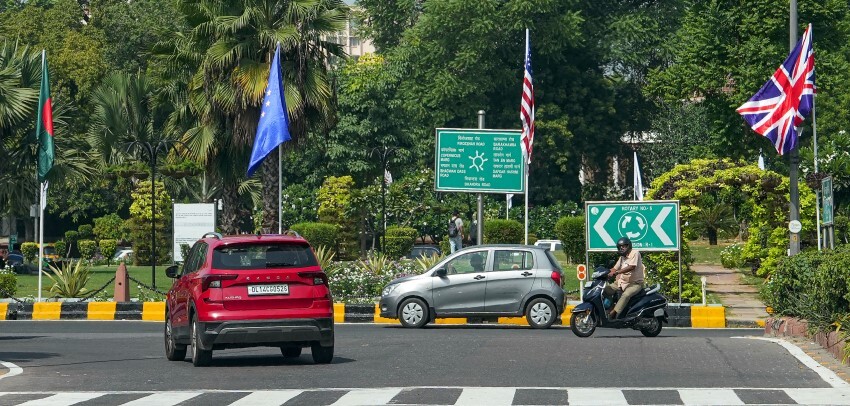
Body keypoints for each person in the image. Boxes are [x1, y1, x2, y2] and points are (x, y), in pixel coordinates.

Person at [604, 237, 645, 319]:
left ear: (629, 246)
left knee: (626, 295)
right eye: (620, 247)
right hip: (622, 282)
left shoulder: (635, 253)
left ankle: (614, 313)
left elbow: (631, 267)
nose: (622, 248)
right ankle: (611, 307)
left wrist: (617, 272)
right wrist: (604, 272)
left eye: (624, 246)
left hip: (635, 283)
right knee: (605, 290)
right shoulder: (622, 257)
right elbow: (614, 268)